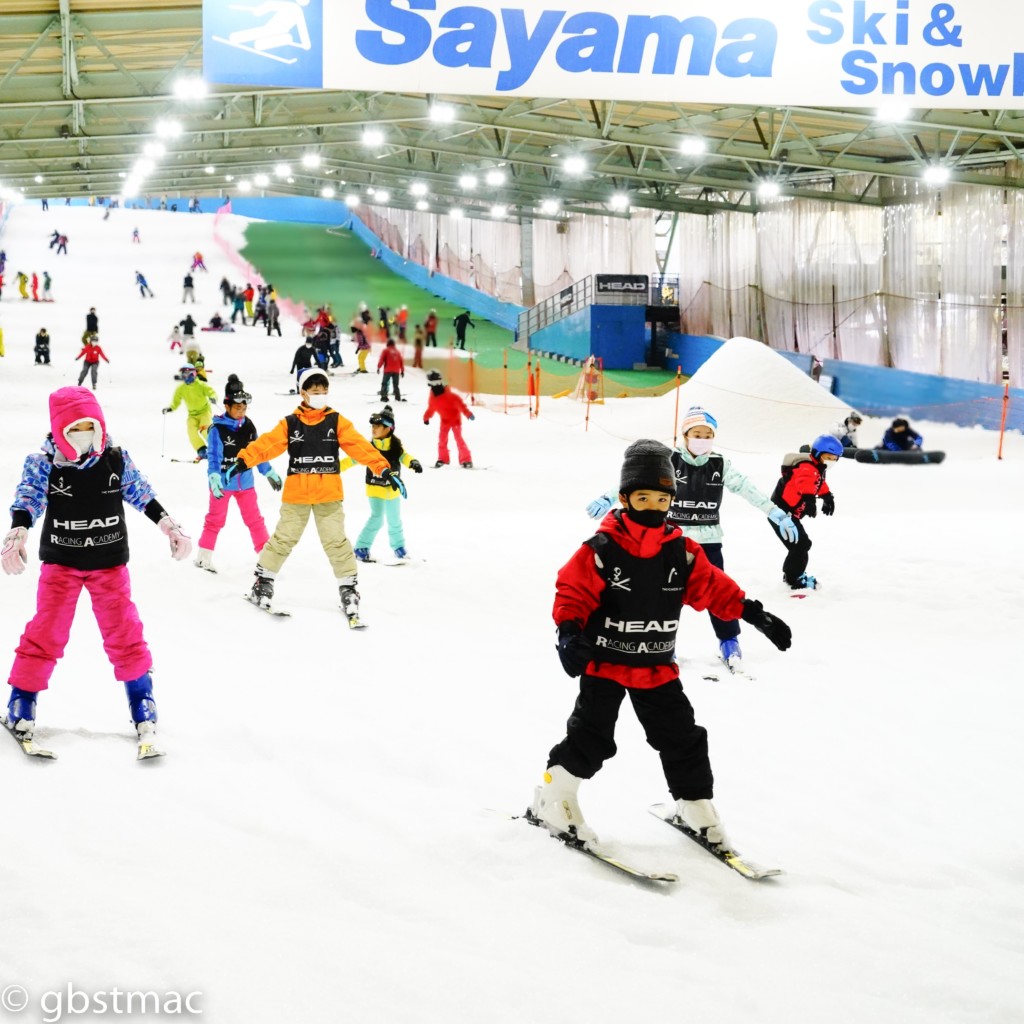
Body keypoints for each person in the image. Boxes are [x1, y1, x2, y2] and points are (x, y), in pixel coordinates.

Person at [529, 440, 792, 850]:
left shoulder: (681, 552)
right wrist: (569, 632)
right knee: (592, 738)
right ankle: (554, 797)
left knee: (682, 737)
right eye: (643, 496)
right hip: (606, 664)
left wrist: (753, 612)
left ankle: (694, 805)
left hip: (656, 666)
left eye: (662, 497)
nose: (653, 505)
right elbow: (572, 593)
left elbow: (713, 587)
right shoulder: (601, 550)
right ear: (625, 498)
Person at [0, 386, 191, 757]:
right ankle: (21, 700)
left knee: (124, 631)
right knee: (47, 631)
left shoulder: (116, 459)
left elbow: (141, 493)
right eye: (75, 428)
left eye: (91, 425)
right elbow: (29, 497)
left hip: (109, 563)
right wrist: (17, 531)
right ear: (59, 429)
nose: (84, 433)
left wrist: (168, 524)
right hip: (62, 560)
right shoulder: (44, 463)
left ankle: (141, 700)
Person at [585, 407, 798, 671]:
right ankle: (660, 644)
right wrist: (608, 498)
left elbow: (746, 488)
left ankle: (729, 640)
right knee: (663, 595)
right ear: (685, 435)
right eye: (697, 434)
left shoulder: (720, 464)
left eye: (708, 434)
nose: (702, 439)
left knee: (718, 588)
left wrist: (775, 512)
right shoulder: (670, 461)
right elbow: (639, 480)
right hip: (671, 541)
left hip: (708, 540)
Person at [224, 367, 400, 627]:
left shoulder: (336, 421)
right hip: (297, 494)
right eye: (315, 391)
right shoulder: (290, 423)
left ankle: (348, 588)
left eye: (324, 391)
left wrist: (382, 466)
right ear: (302, 392)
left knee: (336, 541)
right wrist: (243, 460)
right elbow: (268, 444)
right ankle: (263, 582)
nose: (320, 395)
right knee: (283, 539)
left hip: (328, 494)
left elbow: (359, 446)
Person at [194, 376, 282, 573]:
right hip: (223, 483)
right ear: (227, 406)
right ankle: (203, 557)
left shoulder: (249, 427)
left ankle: (266, 558)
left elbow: (256, 452)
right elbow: (214, 457)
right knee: (215, 520)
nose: (241, 412)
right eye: (237, 408)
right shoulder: (217, 429)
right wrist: (214, 477)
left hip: (246, 483)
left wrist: (268, 471)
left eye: (244, 408)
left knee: (254, 519)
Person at [342, 405, 423, 563]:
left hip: (393, 490)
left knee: (394, 520)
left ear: (388, 428)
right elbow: (353, 459)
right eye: (372, 426)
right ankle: (361, 547)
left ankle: (398, 547)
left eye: (377, 426)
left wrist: (413, 462)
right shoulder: (369, 447)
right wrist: (335, 467)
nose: (373, 429)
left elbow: (404, 457)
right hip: (375, 487)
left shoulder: (396, 447)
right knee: (377, 518)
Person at [768, 434, 841, 591]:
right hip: (780, 514)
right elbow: (804, 482)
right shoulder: (806, 467)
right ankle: (793, 579)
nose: (831, 461)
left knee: (801, 545)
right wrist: (809, 499)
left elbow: (819, 484)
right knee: (800, 546)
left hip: (788, 514)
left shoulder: (817, 469)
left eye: (835, 458)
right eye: (828, 457)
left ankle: (792, 575)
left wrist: (827, 497)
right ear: (817, 453)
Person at [162, 365, 217, 460]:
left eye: (189, 374)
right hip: (192, 414)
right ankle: (201, 449)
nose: (187, 377)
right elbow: (176, 400)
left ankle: (215, 448)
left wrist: (213, 397)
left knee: (204, 429)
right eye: (184, 374)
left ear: (194, 374)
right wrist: (171, 408)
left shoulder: (201, 385)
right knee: (191, 431)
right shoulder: (181, 388)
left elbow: (211, 391)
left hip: (204, 412)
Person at [424, 370, 474, 468]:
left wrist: (468, 414)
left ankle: (466, 459)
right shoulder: (433, 397)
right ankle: (443, 459)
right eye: (433, 382)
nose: (436, 384)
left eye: (437, 382)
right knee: (442, 440)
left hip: (455, 420)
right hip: (445, 421)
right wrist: (426, 417)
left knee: (459, 439)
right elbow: (431, 408)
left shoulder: (449, 394)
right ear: (430, 383)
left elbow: (460, 404)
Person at [377, 338, 405, 402]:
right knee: (396, 384)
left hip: (388, 370)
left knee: (385, 383)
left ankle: (384, 397)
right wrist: (402, 371)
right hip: (396, 371)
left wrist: (378, 367)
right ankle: (397, 397)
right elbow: (401, 361)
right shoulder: (398, 352)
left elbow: (382, 360)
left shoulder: (386, 350)